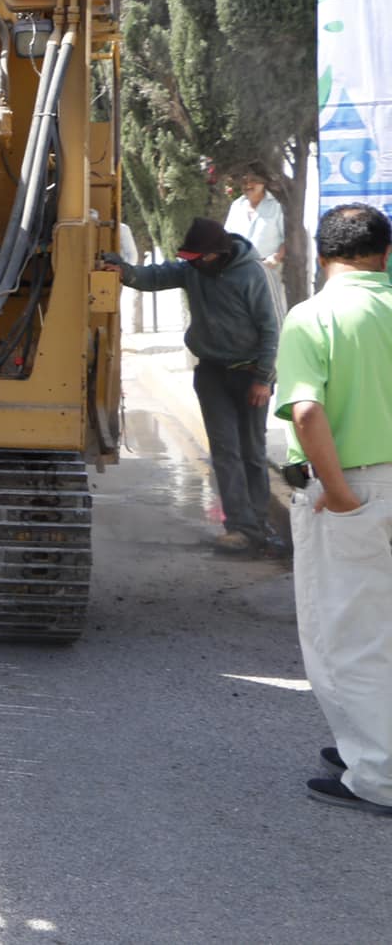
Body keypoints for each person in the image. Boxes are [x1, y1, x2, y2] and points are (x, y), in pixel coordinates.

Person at [274, 204, 392, 814]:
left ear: (322, 256)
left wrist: (338, 491)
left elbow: (307, 411)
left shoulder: (313, 315)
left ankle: (378, 778)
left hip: (355, 491)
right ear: (386, 254)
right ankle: (366, 748)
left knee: (349, 636)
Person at [108, 217, 281, 554]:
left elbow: (271, 329)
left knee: (252, 453)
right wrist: (125, 271)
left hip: (249, 376)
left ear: (217, 253)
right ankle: (240, 528)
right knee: (225, 452)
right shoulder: (194, 269)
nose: (191, 264)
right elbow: (156, 276)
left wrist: (263, 379)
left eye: (197, 258)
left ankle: (259, 525)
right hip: (212, 374)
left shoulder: (253, 274)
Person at [225, 169, 288, 318]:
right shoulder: (237, 206)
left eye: (252, 180)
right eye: (244, 181)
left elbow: (289, 238)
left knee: (271, 316)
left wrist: (276, 258)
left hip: (269, 270)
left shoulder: (276, 205)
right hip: (240, 271)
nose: (248, 185)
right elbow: (227, 238)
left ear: (263, 182)